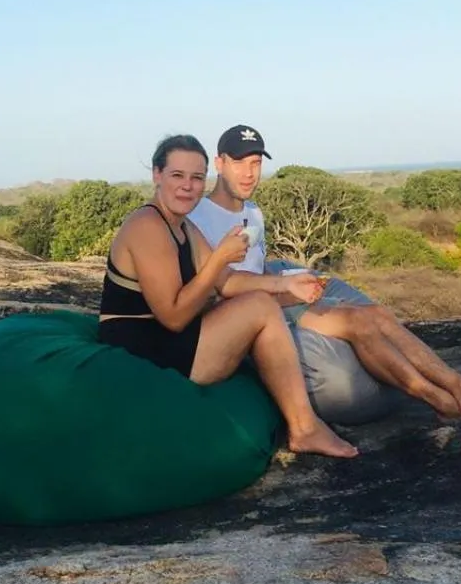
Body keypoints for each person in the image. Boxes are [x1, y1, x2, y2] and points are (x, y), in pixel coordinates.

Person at [189, 125, 461, 421]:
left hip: (269, 296)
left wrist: (292, 284)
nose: (248, 173)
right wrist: (283, 287)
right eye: (238, 163)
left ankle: (460, 385)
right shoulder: (200, 218)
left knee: (375, 314)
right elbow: (218, 288)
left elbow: (257, 268)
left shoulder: (253, 212)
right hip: (245, 313)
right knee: (359, 321)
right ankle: (441, 399)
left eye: (256, 163)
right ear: (219, 164)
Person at [98, 134, 359, 458]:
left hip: (165, 338)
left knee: (260, 303)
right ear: (157, 175)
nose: (187, 186)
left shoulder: (183, 227)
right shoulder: (147, 225)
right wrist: (220, 256)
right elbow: (174, 316)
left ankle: (303, 424)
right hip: (141, 349)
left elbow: (227, 281)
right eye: (177, 175)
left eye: (196, 178)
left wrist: (285, 286)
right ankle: (304, 428)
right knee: (260, 309)